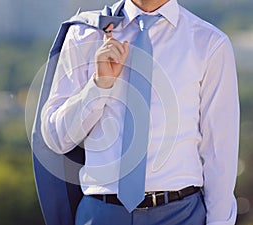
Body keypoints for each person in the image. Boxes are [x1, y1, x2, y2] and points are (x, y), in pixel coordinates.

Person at [40, 0, 239, 224]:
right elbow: (56, 139)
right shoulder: (85, 34)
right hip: (101, 214)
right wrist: (99, 85)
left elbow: (220, 153)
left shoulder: (209, 43)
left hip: (181, 214)